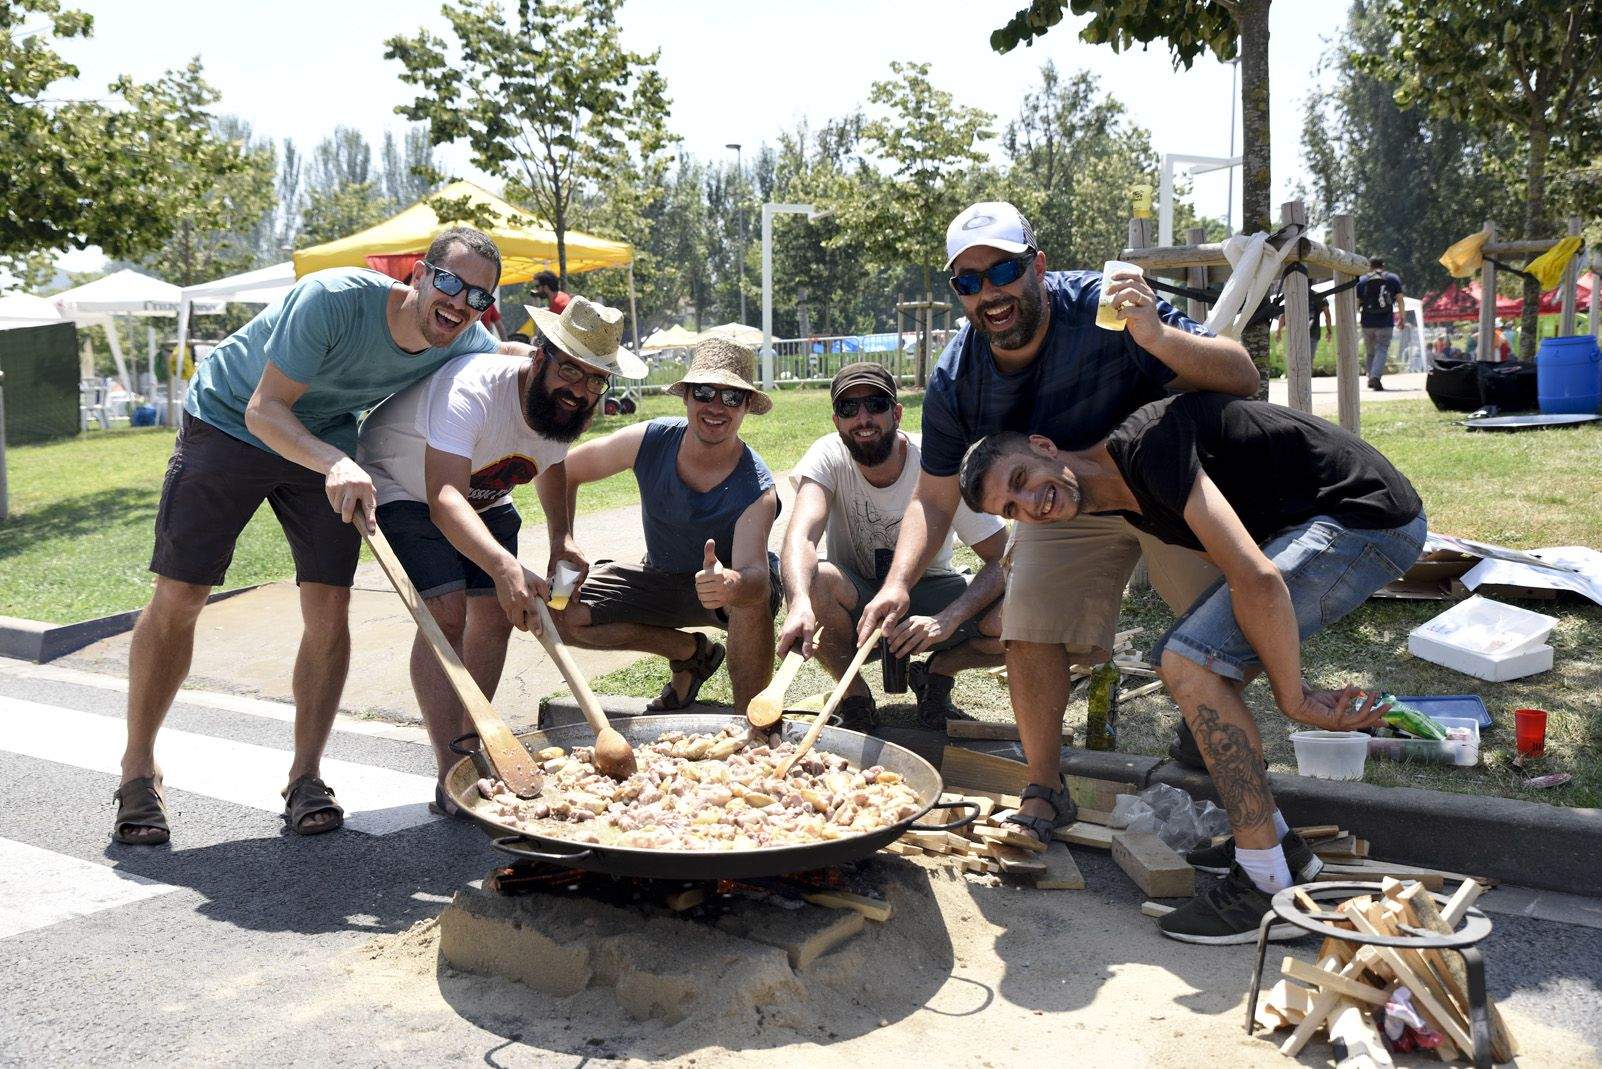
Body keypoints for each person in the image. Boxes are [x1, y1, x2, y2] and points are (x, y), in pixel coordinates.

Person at [857, 200, 1258, 846]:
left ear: (1038, 266)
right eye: (968, 281)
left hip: (1161, 480)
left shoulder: (1105, 306)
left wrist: (1155, 335)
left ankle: (1221, 736)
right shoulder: (956, 378)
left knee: (1229, 618)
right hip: (1058, 499)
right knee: (1028, 620)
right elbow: (932, 500)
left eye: (1003, 271)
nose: (989, 293)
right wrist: (898, 584)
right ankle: (1043, 786)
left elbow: (1242, 374)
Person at [958, 392, 1426, 943]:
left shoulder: (1147, 450)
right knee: (1192, 660)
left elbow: (1257, 578)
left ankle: (1264, 889)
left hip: (1365, 517)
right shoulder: (1120, 496)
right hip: (1323, 522)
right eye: (1011, 509)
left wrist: (1292, 698)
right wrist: (1281, 677)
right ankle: (1279, 849)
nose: (1029, 505)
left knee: (1188, 662)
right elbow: (1239, 581)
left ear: (1044, 447)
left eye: (1021, 480)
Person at [114, 227, 507, 845]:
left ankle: (306, 777)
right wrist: (335, 463)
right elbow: (264, 408)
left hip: (325, 437)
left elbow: (510, 367)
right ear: (419, 275)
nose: (460, 303)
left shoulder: (464, 338)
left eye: (478, 296)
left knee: (329, 604)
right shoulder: (332, 299)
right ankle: (138, 771)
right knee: (183, 595)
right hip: (231, 418)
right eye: (450, 282)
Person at [356, 296, 641, 812]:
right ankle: (451, 771)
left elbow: (551, 462)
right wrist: (505, 565)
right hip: (403, 483)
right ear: (540, 355)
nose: (579, 389)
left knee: (495, 615)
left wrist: (561, 538)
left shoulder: (563, 407)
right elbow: (444, 497)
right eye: (570, 370)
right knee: (445, 612)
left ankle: (477, 748)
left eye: (595, 379)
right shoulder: (473, 389)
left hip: (484, 494)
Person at [552, 339, 781, 712]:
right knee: (555, 608)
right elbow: (563, 470)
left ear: (747, 406)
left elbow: (755, 575)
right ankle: (690, 654)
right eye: (704, 392)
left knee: (751, 600)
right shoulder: (650, 440)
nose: (716, 407)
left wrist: (730, 583)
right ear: (686, 396)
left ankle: (751, 721)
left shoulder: (757, 487)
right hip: (659, 577)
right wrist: (562, 545)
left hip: (725, 591)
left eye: (731, 397)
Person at [778, 362, 1007, 731]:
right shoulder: (827, 455)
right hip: (858, 598)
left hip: (929, 594)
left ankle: (938, 671)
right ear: (837, 421)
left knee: (1020, 613)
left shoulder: (938, 461)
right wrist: (799, 601)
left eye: (876, 404)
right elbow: (800, 537)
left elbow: (1005, 557)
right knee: (815, 579)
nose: (863, 418)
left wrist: (948, 619)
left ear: (897, 413)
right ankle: (854, 696)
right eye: (849, 408)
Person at [1356, 257, 1404, 390]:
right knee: (1382, 349)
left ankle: (1370, 377)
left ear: (1369, 266)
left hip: (1367, 322)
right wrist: (1402, 318)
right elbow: (1400, 300)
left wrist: (1356, 319)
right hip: (1385, 322)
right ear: (1383, 265)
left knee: (1370, 352)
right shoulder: (1393, 279)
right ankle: (1375, 377)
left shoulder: (1362, 280)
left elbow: (1357, 303)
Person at [1275, 291, 1333, 356]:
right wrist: (1329, 331)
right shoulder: (1320, 297)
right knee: (1309, 359)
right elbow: (1327, 316)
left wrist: (1278, 331)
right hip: (1313, 334)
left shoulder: (1295, 296)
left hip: (1298, 335)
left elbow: (1283, 316)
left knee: (1297, 358)